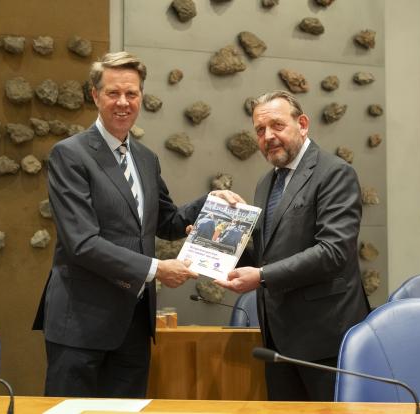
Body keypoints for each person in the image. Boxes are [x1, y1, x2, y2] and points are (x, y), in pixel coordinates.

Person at [32, 51, 239, 398]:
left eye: (132, 93)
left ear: (141, 96)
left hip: (134, 323)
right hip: (81, 325)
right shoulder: (70, 155)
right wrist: (157, 269)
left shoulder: (145, 158)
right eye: (113, 93)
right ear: (95, 95)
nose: (123, 102)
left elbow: (168, 221)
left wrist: (210, 202)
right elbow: (81, 243)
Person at [214, 90, 370, 402]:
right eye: (260, 130)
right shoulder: (265, 183)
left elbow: (334, 252)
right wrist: (222, 232)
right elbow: (264, 255)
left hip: (326, 338)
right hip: (278, 341)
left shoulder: (334, 172)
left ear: (302, 124)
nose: (268, 136)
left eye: (277, 126)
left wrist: (261, 276)